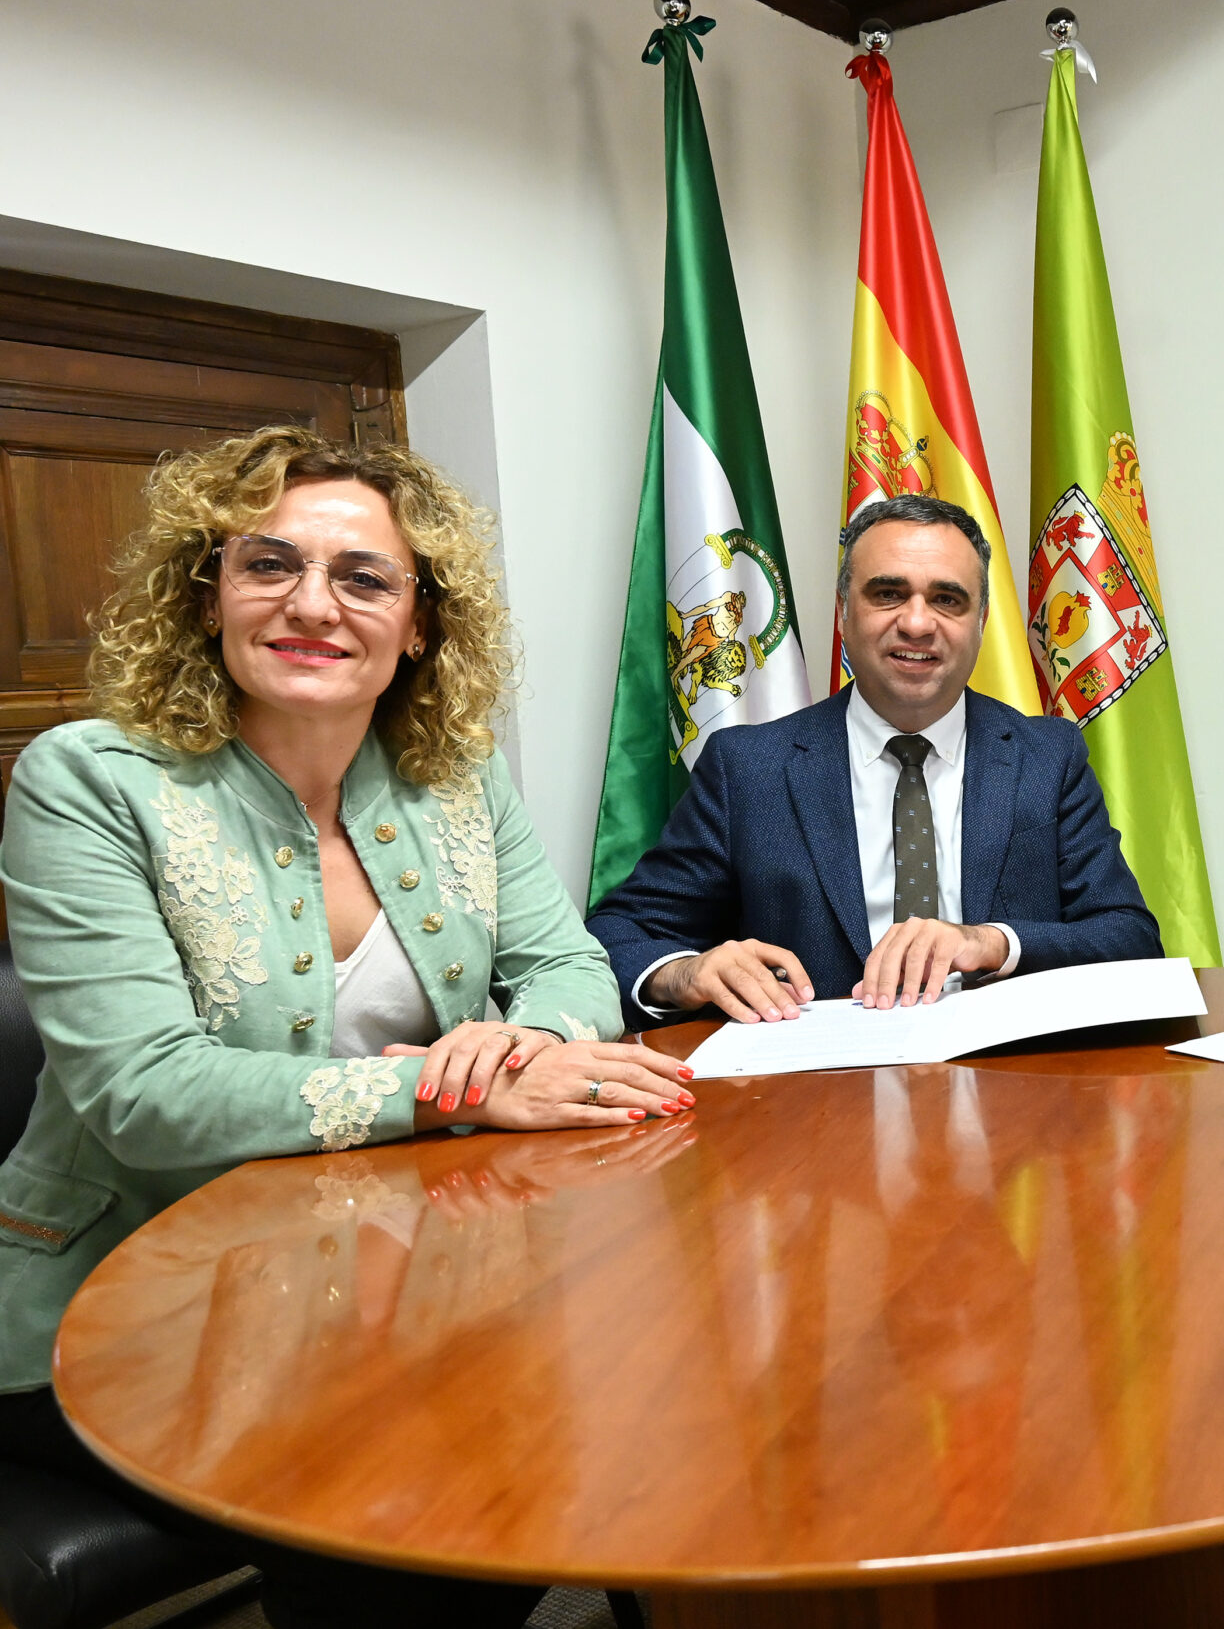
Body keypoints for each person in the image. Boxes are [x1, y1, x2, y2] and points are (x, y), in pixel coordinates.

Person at [0, 426, 690, 1629]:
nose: (313, 604)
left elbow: (567, 963)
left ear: (418, 623)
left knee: (627, 1385)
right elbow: (146, 1094)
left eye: (364, 578)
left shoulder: (455, 773)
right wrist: (447, 1091)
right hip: (121, 1306)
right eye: (269, 564)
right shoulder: (89, 781)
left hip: (393, 1268)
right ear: (207, 594)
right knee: (413, 1502)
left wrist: (520, 1044)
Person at [589, 495, 1159, 1026]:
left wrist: (991, 943)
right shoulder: (748, 768)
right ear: (844, 612)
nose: (917, 623)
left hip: (1003, 1078)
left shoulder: (1047, 757)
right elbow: (619, 934)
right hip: (816, 1086)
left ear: (982, 620)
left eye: (947, 599)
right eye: (888, 594)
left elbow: (1130, 939)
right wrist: (685, 972)